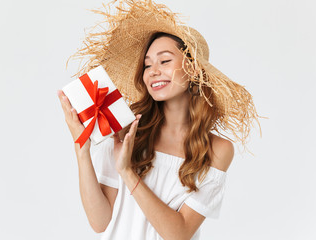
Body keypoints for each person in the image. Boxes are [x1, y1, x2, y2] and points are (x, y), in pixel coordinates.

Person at [57, 0, 263, 239]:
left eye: (165, 61)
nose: (153, 71)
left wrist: (127, 172)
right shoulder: (126, 131)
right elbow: (100, 222)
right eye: (147, 65)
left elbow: (180, 233)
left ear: (194, 69)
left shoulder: (217, 150)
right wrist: (81, 148)